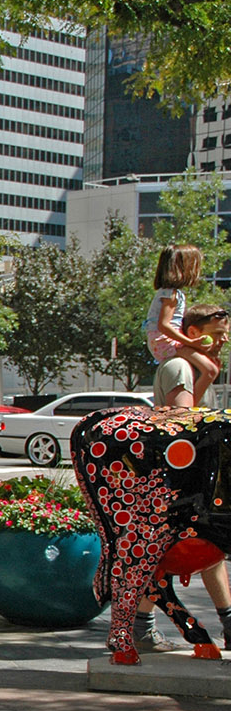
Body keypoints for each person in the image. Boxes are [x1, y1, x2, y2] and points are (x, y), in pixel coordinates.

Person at [136, 301, 231, 652]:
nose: (222, 342)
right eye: (216, 336)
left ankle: (228, 621)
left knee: (209, 548)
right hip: (175, 479)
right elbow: (182, 423)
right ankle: (139, 627)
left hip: (183, 476)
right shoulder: (178, 366)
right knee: (173, 552)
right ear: (192, 333)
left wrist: (206, 374)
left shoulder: (190, 367)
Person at [145, 244, 217, 405]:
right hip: (165, 342)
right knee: (210, 370)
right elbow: (164, 325)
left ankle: (191, 403)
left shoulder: (167, 292)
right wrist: (190, 342)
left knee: (206, 365)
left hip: (162, 341)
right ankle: (190, 407)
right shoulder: (171, 294)